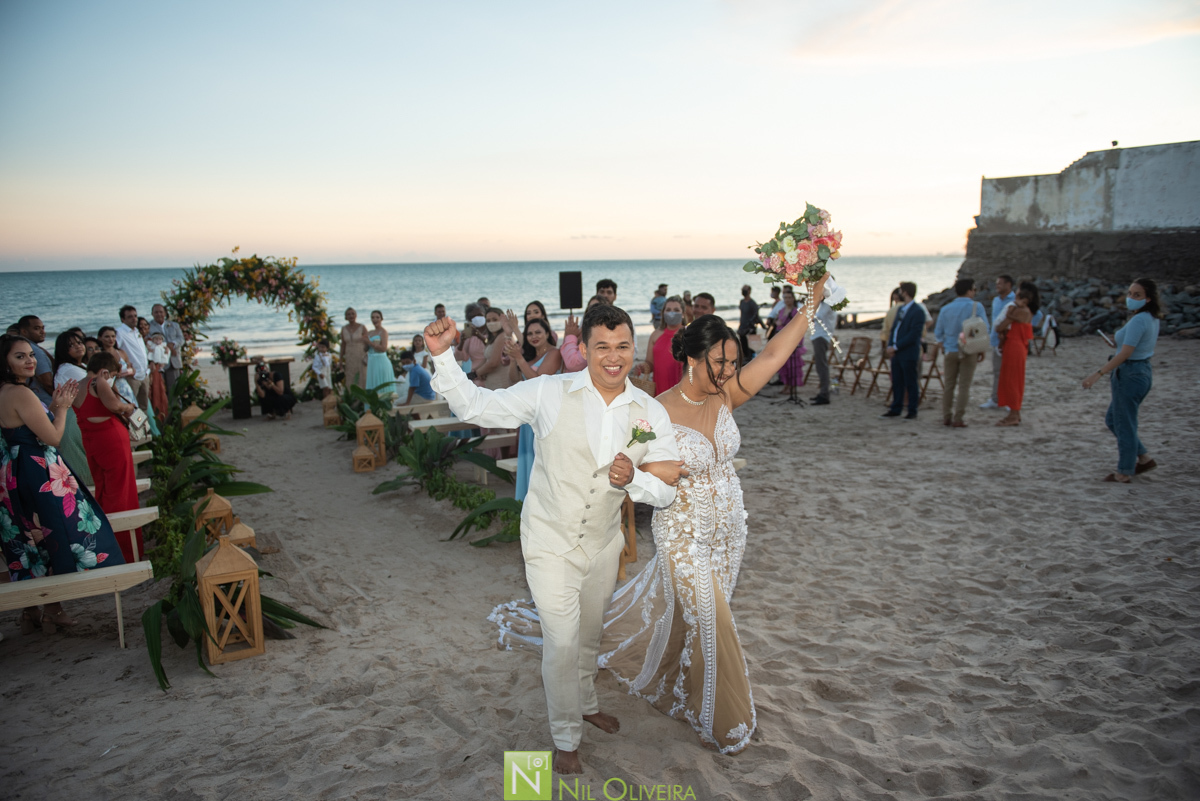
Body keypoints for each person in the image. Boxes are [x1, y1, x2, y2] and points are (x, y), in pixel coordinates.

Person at [503, 274, 831, 757]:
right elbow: (627, 469)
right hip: (683, 533)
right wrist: (633, 475)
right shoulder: (654, 411)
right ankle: (725, 723)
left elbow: (774, 355)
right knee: (714, 620)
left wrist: (812, 303)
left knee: (702, 621)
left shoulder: (727, 395)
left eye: (733, 362)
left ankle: (682, 687)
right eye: (719, 361)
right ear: (693, 360)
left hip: (730, 531)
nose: (728, 369)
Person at [428, 304, 680, 775]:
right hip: (547, 540)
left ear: (633, 349)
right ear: (582, 349)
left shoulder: (650, 411)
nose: (613, 357)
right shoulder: (548, 392)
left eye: (622, 346)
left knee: (588, 635)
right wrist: (444, 357)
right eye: (602, 346)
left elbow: (665, 487)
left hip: (603, 543)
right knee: (561, 643)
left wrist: (634, 481)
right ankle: (566, 736)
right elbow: (477, 407)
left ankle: (584, 702)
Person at [1, 334, 126, 635]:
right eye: (20, 356)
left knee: (29, 537)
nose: (30, 360)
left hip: (14, 472)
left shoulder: (3, 391)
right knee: (58, 531)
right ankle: (53, 608)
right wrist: (62, 408)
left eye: (31, 355)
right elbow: (54, 438)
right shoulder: (20, 394)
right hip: (37, 471)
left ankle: (36, 611)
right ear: (4, 362)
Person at [1081, 278, 1161, 483]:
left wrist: (1097, 374)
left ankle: (1124, 471)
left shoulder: (1140, 319)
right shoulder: (1150, 318)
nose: (1131, 298)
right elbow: (1130, 346)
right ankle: (1143, 457)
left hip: (1130, 373)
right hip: (1139, 370)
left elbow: (1126, 353)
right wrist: (1115, 345)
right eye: (1130, 293)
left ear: (1148, 298)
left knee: (1124, 422)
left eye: (1137, 295)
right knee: (1113, 419)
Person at [71, 350, 143, 563]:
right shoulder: (98, 382)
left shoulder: (77, 386)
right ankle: (125, 551)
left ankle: (104, 546)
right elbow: (114, 405)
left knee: (103, 492)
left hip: (93, 444)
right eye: (112, 374)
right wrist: (128, 406)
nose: (111, 379)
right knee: (120, 492)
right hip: (112, 442)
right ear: (104, 371)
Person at [507, 318, 565, 501]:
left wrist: (519, 358)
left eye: (538, 332)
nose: (534, 336)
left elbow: (538, 381)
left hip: (546, 416)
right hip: (529, 417)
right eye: (530, 333)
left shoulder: (555, 354)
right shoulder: (530, 357)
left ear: (547, 333)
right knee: (529, 461)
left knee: (543, 461)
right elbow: (514, 379)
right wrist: (512, 359)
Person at [933, 278, 989, 427]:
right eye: (974, 289)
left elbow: (938, 332)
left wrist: (942, 344)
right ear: (969, 290)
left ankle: (946, 416)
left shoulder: (946, 309)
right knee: (964, 385)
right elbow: (984, 330)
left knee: (949, 385)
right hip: (969, 349)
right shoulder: (977, 307)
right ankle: (958, 418)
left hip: (950, 349)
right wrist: (981, 349)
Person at [51, 331, 95, 488]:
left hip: (76, 417)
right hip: (72, 419)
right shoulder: (68, 369)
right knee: (83, 464)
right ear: (63, 350)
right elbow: (98, 386)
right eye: (71, 345)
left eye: (79, 342)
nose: (78, 346)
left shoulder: (79, 366)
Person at [994, 287, 1037, 427]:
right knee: (1015, 380)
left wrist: (1010, 313)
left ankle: (1013, 414)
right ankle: (1014, 413)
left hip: (1014, 347)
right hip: (1018, 346)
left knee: (1012, 380)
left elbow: (999, 327)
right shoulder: (1027, 311)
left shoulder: (1019, 310)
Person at [881, 282, 922, 420]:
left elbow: (914, 334)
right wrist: (890, 344)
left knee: (910, 381)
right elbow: (895, 329)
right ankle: (896, 407)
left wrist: (896, 346)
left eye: (900, 291)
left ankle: (912, 409)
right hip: (896, 351)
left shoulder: (918, 311)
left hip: (908, 352)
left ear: (905, 292)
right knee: (897, 381)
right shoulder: (900, 309)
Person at [639, 295, 685, 396]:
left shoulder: (688, 333)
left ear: (683, 314)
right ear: (663, 313)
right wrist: (643, 367)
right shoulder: (655, 334)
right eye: (668, 309)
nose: (672, 312)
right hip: (660, 389)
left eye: (676, 310)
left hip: (682, 389)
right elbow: (650, 363)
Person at [774, 288, 808, 395]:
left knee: (792, 365)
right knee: (783, 364)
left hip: (791, 340)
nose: (787, 300)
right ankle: (786, 385)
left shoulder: (796, 311)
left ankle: (792, 387)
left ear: (793, 299)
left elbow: (798, 326)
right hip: (781, 339)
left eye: (789, 298)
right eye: (785, 298)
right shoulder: (782, 311)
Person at [115, 305, 149, 411]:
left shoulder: (136, 331)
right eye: (130, 317)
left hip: (144, 374)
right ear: (123, 319)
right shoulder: (120, 333)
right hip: (132, 377)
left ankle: (143, 427)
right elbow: (114, 350)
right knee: (131, 406)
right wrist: (126, 364)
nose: (134, 319)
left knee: (144, 406)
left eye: (135, 316)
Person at [560, 296, 607, 373]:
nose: (594, 311)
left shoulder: (599, 336)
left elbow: (573, 364)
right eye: (591, 308)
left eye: (598, 308)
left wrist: (571, 336)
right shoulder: (581, 332)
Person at [15, 316, 54, 405]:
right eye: (37, 328)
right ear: (24, 331)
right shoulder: (33, 351)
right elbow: (48, 383)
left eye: (43, 328)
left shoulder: (20, 348)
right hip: (47, 404)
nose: (42, 332)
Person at [98, 325, 139, 408]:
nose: (111, 339)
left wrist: (132, 371)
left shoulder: (121, 352)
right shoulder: (99, 356)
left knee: (134, 412)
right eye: (107, 337)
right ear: (100, 338)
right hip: (111, 388)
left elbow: (130, 367)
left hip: (125, 386)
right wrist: (114, 375)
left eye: (113, 336)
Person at [808, 296, 838, 405]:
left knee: (822, 366)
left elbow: (817, 316)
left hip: (822, 336)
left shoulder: (828, 303)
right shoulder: (824, 304)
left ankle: (825, 393)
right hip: (818, 336)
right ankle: (823, 392)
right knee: (820, 366)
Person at [474, 308, 513, 390]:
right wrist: (477, 369)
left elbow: (493, 363)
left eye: (495, 319)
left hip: (502, 385)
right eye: (488, 320)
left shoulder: (503, 336)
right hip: (492, 385)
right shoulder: (493, 338)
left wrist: (478, 373)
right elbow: (487, 359)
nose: (491, 323)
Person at [148, 303, 185, 390]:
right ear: (152, 314)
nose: (159, 314)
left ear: (165, 313)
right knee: (160, 389)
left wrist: (173, 344)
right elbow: (148, 341)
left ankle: (175, 404)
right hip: (158, 362)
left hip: (173, 360)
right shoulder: (149, 326)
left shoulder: (174, 325)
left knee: (174, 389)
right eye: (156, 312)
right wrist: (166, 346)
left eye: (161, 312)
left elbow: (181, 338)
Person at [365, 310, 395, 401]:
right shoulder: (369, 332)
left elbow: (383, 348)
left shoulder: (383, 332)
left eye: (377, 317)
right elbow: (366, 348)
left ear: (381, 319)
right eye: (373, 317)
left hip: (380, 360)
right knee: (373, 384)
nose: (375, 319)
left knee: (381, 384)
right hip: (371, 361)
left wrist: (370, 343)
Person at [454, 304, 488, 383]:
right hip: (476, 376)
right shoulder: (470, 336)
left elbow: (493, 349)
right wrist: (461, 342)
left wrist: (480, 336)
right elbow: (462, 357)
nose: (477, 318)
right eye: (473, 316)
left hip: (492, 372)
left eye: (479, 315)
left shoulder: (492, 332)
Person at [340, 308, 368, 389]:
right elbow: (343, 345)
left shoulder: (362, 327)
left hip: (360, 354)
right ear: (346, 317)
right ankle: (352, 398)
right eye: (348, 314)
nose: (351, 315)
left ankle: (363, 398)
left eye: (353, 313)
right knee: (350, 376)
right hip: (349, 356)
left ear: (356, 315)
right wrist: (341, 360)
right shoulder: (343, 329)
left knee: (362, 375)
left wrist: (367, 356)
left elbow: (368, 342)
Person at [146, 332, 170, 420]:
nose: (158, 340)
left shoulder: (162, 345)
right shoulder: (149, 344)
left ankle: (161, 414)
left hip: (157, 366)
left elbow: (166, 350)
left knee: (159, 388)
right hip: (151, 367)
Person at [737, 285, 761, 359]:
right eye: (743, 289)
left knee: (752, 347)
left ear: (749, 291)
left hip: (750, 327)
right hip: (742, 326)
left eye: (745, 290)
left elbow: (756, 316)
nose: (743, 291)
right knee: (743, 344)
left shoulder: (752, 303)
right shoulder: (742, 302)